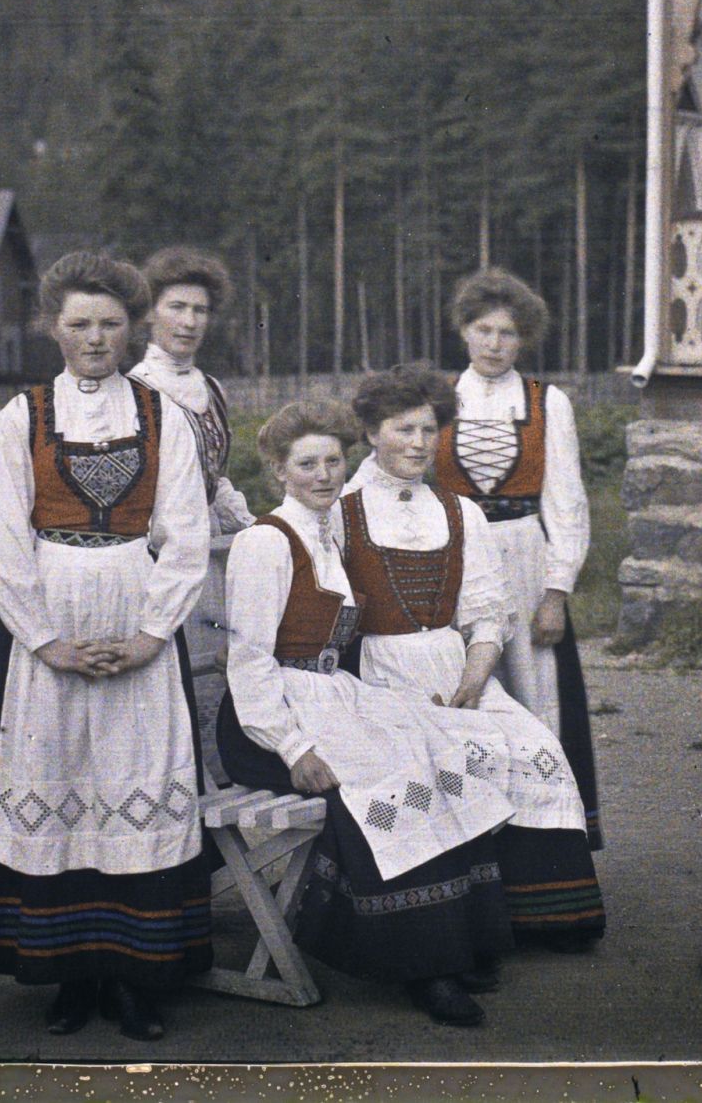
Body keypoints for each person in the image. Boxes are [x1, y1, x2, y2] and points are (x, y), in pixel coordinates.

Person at [0, 251, 214, 1043]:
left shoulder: (164, 416)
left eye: (109, 323)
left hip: (136, 615)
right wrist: (48, 641)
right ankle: (66, 974)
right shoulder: (20, 419)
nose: (95, 338)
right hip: (50, 625)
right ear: (52, 328)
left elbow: (188, 535)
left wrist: (148, 636)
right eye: (78, 323)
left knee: (132, 779)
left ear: (131, 328)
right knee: (58, 776)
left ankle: (136, 978)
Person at [214, 399, 519, 1027]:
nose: (324, 475)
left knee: (437, 752)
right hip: (269, 722)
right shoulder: (265, 542)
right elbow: (248, 663)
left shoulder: (329, 532)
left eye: (333, 461)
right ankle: (425, 968)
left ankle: (457, 945)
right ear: (279, 470)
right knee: (392, 780)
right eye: (307, 464)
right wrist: (295, 748)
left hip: (327, 697)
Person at [340, 363, 607, 954]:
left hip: (458, 672)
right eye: (402, 430)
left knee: (534, 745)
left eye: (428, 431)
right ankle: (446, 929)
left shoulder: (458, 511)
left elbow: (488, 613)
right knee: (433, 765)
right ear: (371, 434)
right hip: (380, 677)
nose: (417, 444)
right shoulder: (344, 509)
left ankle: (542, 915)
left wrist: (475, 677)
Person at [437, 268, 604, 850]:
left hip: (526, 554)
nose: (494, 344)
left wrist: (556, 591)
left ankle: (548, 848)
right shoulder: (439, 400)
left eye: (507, 334)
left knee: (538, 703)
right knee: (464, 699)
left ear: (523, 339)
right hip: (457, 558)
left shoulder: (546, 401)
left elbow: (567, 502)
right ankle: (477, 848)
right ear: (463, 331)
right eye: (483, 330)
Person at [128, 247, 258, 665]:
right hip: (152, 559)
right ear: (150, 313)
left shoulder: (213, 389)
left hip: (209, 554)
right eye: (177, 307)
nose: (189, 322)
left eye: (200, 310)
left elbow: (214, 479)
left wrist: (249, 527)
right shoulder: (134, 391)